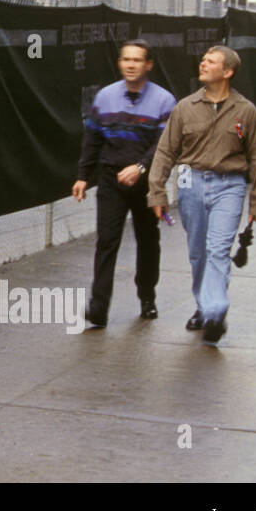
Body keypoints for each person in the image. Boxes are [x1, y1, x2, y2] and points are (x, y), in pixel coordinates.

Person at [147, 45, 256, 345]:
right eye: (202, 58)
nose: (202, 63)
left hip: (230, 186)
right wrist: (157, 193)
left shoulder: (246, 111)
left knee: (218, 248)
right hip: (190, 184)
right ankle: (204, 307)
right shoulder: (185, 107)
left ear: (227, 72)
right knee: (198, 252)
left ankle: (215, 311)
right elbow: (165, 152)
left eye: (211, 61)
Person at [73, 40, 178, 328]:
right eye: (126, 59)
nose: (130, 65)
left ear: (149, 65)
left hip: (147, 183)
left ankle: (147, 297)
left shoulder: (164, 101)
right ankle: (98, 308)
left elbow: (164, 144)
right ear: (120, 63)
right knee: (106, 241)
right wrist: (83, 175)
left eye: (137, 60)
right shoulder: (105, 97)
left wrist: (140, 168)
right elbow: (92, 138)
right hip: (110, 180)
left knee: (147, 240)